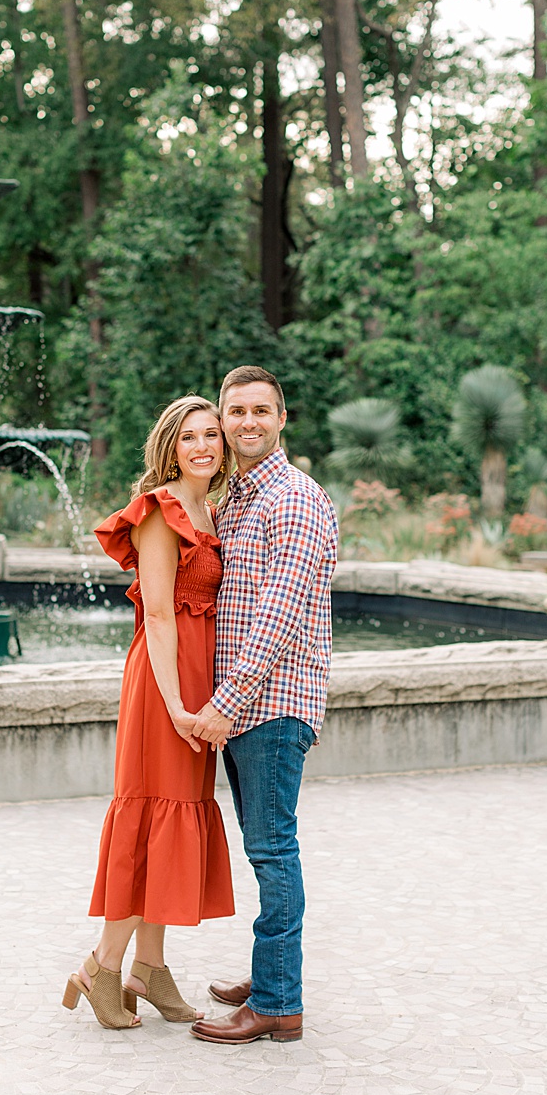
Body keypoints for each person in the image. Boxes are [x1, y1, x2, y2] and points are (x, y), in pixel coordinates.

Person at [63, 396, 236, 1029]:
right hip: (166, 687)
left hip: (198, 686)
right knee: (150, 820)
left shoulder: (211, 509)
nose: (203, 446)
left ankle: (151, 967)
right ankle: (103, 965)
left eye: (211, 435)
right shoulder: (161, 512)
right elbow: (158, 615)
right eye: (189, 436)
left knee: (177, 819)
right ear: (169, 445)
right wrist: (176, 705)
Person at [186, 366, 338, 1046]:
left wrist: (225, 703)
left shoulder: (294, 500)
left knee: (274, 851)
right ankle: (271, 969)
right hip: (249, 709)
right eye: (236, 411)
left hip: (271, 707)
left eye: (260, 411)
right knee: (264, 850)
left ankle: (279, 1001)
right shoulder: (240, 498)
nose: (247, 423)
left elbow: (276, 618)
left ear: (282, 419)